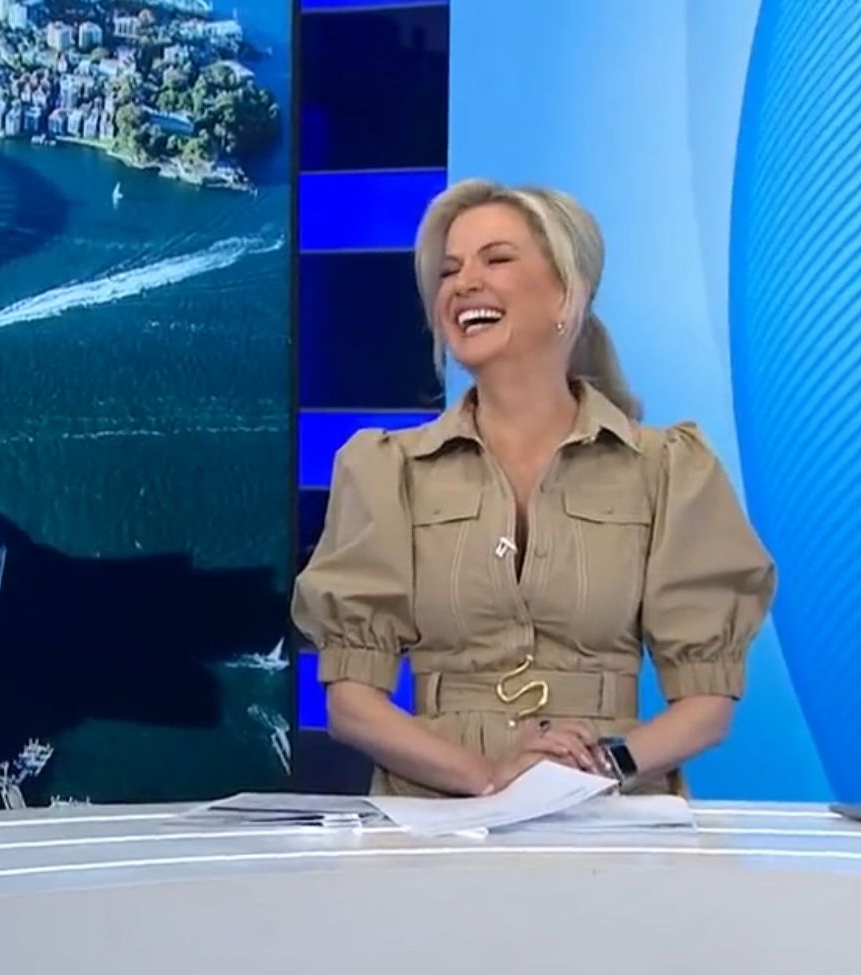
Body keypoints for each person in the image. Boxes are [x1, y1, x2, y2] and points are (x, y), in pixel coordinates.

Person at [290, 179, 777, 798]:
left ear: (567, 293)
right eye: (449, 270)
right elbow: (353, 705)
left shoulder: (669, 469)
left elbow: (708, 704)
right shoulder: (385, 469)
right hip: (440, 817)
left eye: (495, 259)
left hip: (609, 815)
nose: (463, 283)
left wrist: (594, 771)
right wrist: (490, 780)